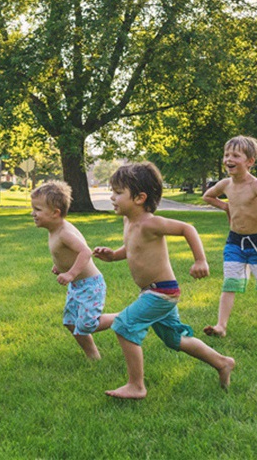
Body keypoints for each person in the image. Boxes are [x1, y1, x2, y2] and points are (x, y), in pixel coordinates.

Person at [92, 162, 235, 399]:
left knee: (124, 326)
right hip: (153, 291)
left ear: (139, 198)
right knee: (174, 339)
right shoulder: (129, 221)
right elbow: (133, 248)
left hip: (161, 293)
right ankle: (222, 362)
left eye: (118, 192)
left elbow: (187, 228)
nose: (112, 197)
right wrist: (113, 255)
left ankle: (136, 385)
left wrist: (200, 260)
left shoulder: (151, 222)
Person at [201, 135, 257, 337]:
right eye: (226, 155)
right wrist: (225, 206)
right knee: (230, 282)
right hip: (235, 242)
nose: (228, 159)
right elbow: (207, 196)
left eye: (235, 155)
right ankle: (221, 326)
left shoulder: (255, 185)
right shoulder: (226, 184)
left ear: (249, 162)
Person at [31, 181, 116, 360]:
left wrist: (70, 273)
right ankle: (93, 355)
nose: (33, 213)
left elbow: (85, 252)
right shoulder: (54, 229)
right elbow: (66, 253)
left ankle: (123, 317)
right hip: (78, 285)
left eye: (38, 210)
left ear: (55, 213)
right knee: (70, 322)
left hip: (90, 284)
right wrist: (61, 266)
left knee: (87, 324)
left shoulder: (64, 232)